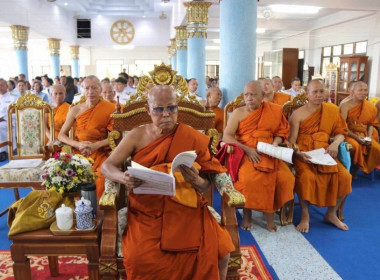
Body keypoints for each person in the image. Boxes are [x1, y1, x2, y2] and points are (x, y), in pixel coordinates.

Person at [101, 85, 234, 280]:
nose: (166, 114)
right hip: (147, 210)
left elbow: (207, 185)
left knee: (221, 250)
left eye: (171, 108)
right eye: (159, 109)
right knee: (140, 257)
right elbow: (107, 166)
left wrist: (196, 179)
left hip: (186, 207)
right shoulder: (138, 135)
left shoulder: (191, 136)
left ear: (177, 108)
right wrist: (123, 178)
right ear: (148, 109)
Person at [222, 81, 294, 232]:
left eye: (253, 95)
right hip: (246, 152)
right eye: (246, 95)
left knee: (285, 178)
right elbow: (227, 136)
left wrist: (275, 143)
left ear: (262, 96)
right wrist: (247, 149)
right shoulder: (238, 113)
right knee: (249, 180)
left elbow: (281, 132)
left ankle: (269, 214)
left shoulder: (274, 110)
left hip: (269, 152)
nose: (249, 98)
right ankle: (247, 214)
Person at [288, 79, 352, 233]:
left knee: (345, 177)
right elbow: (291, 142)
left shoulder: (332, 110)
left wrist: (335, 144)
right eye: (314, 92)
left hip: (325, 152)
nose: (318, 95)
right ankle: (305, 215)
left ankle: (330, 213)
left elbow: (341, 133)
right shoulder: (297, 114)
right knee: (307, 178)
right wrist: (299, 154)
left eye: (321, 91)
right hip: (304, 154)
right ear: (306, 93)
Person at [58, 75, 116, 198]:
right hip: (77, 150)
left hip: (99, 151)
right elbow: (61, 135)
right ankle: (72, 210)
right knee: (64, 176)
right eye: (87, 88)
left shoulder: (110, 108)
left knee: (100, 178)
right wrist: (78, 144)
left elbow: (116, 136)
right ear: (82, 90)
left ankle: (97, 212)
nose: (90, 92)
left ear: (100, 90)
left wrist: (96, 145)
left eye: (94, 88)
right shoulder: (75, 109)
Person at [340, 81, 380, 176]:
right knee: (355, 146)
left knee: (376, 148)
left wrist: (369, 137)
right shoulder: (345, 105)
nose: (363, 92)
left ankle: (364, 169)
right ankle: (352, 170)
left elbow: (371, 124)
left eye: (365, 90)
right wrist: (356, 138)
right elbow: (342, 126)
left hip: (364, 134)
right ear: (353, 91)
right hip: (348, 133)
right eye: (360, 90)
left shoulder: (370, 106)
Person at [0, 78, 17, 161]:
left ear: (7, 86)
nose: (0, 87)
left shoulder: (13, 98)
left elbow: (15, 113)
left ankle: (2, 151)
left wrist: (3, 119)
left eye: (2, 85)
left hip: (8, 121)